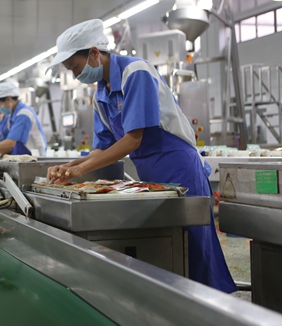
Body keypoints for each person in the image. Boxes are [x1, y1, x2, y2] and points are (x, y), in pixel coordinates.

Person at [45, 19, 236, 293]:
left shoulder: (135, 72)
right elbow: (102, 147)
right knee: (169, 245)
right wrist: (70, 165)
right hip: (150, 174)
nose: (76, 75)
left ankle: (211, 307)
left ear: (94, 53)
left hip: (177, 165)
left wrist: (79, 171)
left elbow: (133, 139)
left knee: (193, 245)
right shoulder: (101, 93)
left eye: (75, 67)